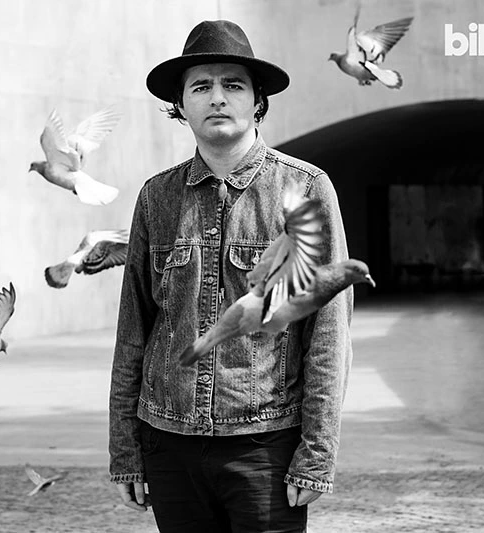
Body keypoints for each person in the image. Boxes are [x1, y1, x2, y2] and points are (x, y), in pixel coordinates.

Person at [109, 19, 353, 533]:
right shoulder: (156, 197)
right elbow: (134, 330)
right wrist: (126, 449)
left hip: (265, 445)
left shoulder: (306, 190)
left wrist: (316, 454)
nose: (217, 98)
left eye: (233, 85)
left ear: (257, 100)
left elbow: (328, 334)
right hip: (168, 443)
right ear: (180, 104)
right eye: (201, 86)